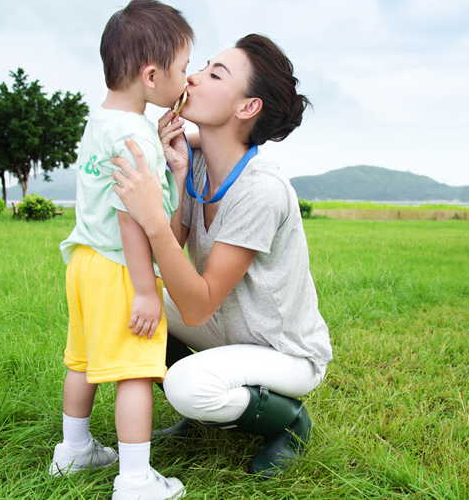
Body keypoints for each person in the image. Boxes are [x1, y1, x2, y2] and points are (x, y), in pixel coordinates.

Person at [111, 34, 333, 479]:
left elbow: (197, 303)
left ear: (246, 108)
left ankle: (288, 423)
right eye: (203, 66)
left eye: (215, 74)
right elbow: (168, 258)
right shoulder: (194, 164)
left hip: (284, 351)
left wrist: (152, 218)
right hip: (228, 330)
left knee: (187, 386)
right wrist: (170, 173)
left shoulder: (260, 190)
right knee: (130, 300)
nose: (193, 76)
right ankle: (203, 416)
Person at [50, 0, 193, 500]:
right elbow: (135, 219)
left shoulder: (104, 122)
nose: (188, 79)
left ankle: (73, 450)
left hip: (84, 260)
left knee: (83, 361)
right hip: (119, 267)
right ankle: (134, 481)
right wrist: (145, 290)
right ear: (153, 76)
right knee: (135, 370)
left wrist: (165, 158)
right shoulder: (139, 140)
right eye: (184, 68)